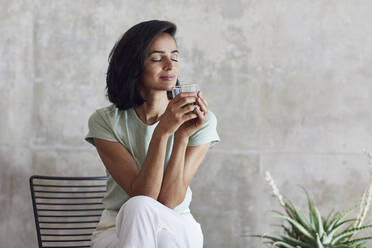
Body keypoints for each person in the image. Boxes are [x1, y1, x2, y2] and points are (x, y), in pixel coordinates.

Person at [85, 20, 220, 248]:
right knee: (139, 208)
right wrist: (162, 132)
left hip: (176, 221)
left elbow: (169, 201)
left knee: (162, 233)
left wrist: (182, 136)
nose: (170, 65)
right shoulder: (105, 121)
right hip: (117, 227)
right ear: (133, 65)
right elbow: (144, 196)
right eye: (158, 58)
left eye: (175, 57)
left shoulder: (200, 121)